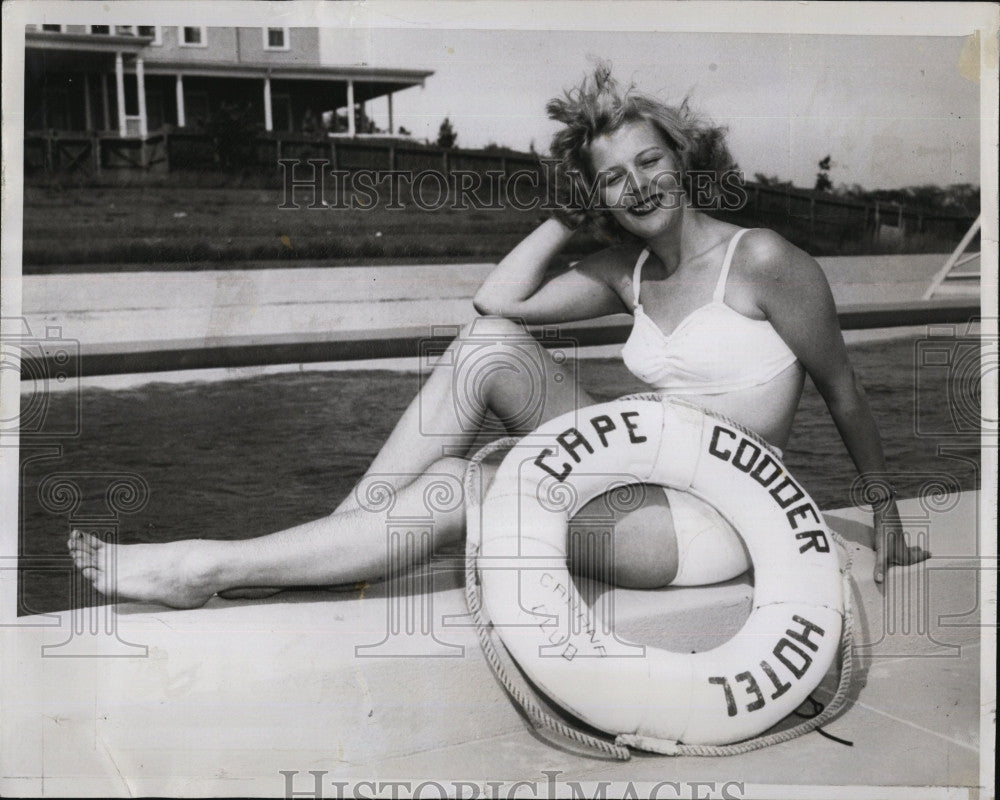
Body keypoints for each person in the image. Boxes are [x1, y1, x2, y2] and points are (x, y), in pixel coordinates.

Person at [68, 66, 928, 608]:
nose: (639, 187)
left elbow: (843, 390)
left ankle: (208, 567)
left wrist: (883, 509)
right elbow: (495, 303)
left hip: (705, 524)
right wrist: (565, 215)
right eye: (613, 179)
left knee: (456, 494)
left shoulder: (766, 260)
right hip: (633, 473)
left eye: (651, 162)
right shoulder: (624, 270)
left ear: (683, 155)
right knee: (484, 350)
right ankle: (319, 547)